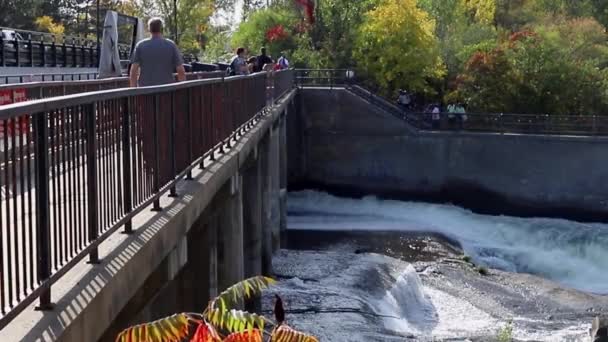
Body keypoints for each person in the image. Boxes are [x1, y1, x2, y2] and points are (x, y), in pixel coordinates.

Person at [129, 17, 186, 87]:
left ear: (149, 29)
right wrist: (182, 90)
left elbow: (133, 71)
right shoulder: (171, 45)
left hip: (145, 91)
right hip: (167, 90)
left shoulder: (140, 46)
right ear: (162, 29)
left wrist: (133, 91)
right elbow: (180, 70)